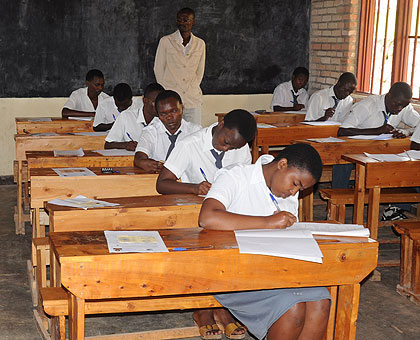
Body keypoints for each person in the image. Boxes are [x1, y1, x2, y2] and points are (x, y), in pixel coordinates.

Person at [196, 143, 330, 340]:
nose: (294, 193)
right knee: (292, 308)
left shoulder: (287, 193)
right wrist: (267, 222)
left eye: (300, 189)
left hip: (273, 268)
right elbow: (207, 217)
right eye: (295, 184)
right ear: (282, 164)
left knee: (321, 300)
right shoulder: (235, 176)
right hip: (230, 270)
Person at [333, 82, 420, 190]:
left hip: (380, 150)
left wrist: (407, 132)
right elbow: (342, 131)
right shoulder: (368, 105)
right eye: (397, 104)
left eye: (404, 105)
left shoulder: (404, 106)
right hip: (356, 149)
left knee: (403, 165)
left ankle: (397, 205)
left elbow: (419, 124)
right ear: (389, 96)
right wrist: (377, 131)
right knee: (343, 160)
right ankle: (339, 196)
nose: (400, 108)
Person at [156, 109, 256, 196]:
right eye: (226, 142)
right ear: (221, 124)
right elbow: (162, 184)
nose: (226, 149)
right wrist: (194, 188)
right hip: (196, 206)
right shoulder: (188, 145)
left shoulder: (242, 148)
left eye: (233, 148)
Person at [154, 7, 205, 125]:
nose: (182, 23)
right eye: (179, 20)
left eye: (186, 20)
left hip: (192, 99)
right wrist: (166, 93)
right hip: (171, 99)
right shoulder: (166, 41)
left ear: (193, 22)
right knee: (171, 134)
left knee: (194, 134)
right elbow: (158, 69)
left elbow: (199, 72)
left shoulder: (200, 44)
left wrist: (191, 87)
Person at [134, 90, 201, 173]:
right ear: (157, 114)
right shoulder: (151, 131)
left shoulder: (195, 131)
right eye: (163, 114)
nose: (169, 117)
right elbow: (139, 157)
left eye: (174, 111)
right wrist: (143, 163)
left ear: (182, 108)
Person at [104, 83, 164, 151]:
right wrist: (125, 145)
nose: (160, 106)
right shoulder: (126, 116)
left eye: (162, 103)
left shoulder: (164, 121)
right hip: (128, 160)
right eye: (155, 103)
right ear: (145, 101)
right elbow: (108, 145)